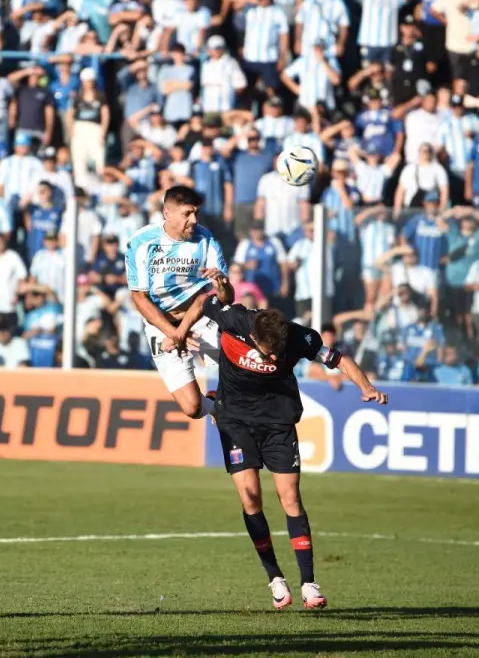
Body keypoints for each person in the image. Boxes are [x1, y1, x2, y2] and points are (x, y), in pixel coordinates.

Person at [180, 295, 386, 610]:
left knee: (290, 499)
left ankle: (309, 583)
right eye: (268, 350)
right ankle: (275, 577)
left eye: (277, 350)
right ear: (253, 337)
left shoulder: (300, 337)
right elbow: (201, 302)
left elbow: (340, 359)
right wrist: (179, 334)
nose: (273, 356)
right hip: (235, 422)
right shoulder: (235, 319)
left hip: (278, 424)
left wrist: (366, 387)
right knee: (250, 498)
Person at [125, 185, 234, 419]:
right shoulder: (142, 242)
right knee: (193, 408)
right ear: (167, 214)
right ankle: (217, 408)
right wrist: (175, 334)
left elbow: (227, 299)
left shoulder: (205, 238)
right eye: (187, 213)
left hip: (202, 318)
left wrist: (222, 283)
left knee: (243, 370)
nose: (193, 220)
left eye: (195, 213)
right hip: (162, 325)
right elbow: (139, 298)